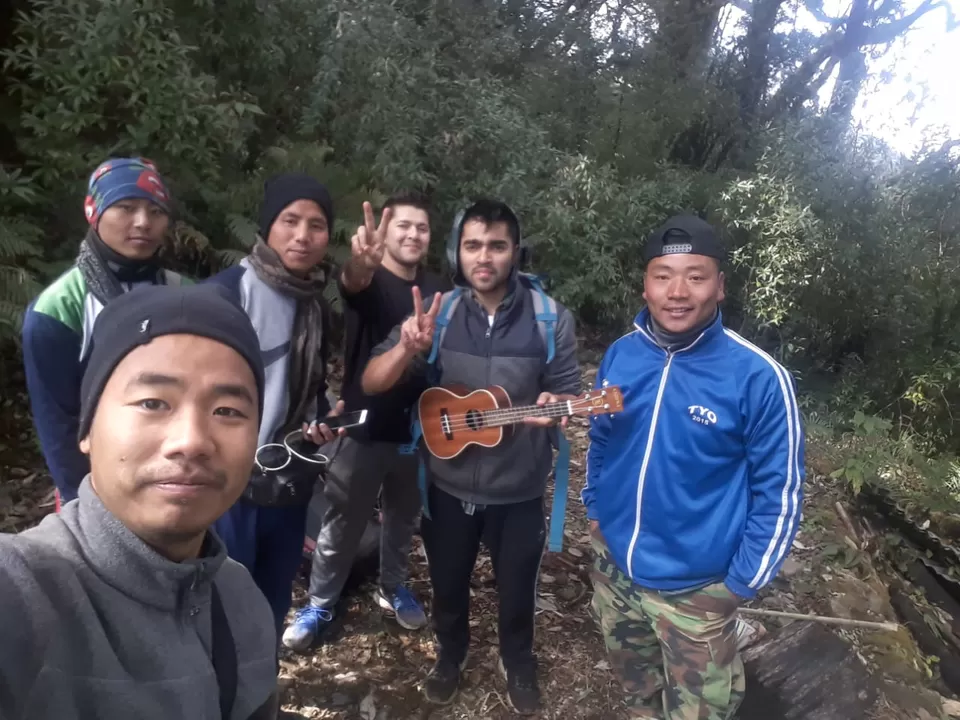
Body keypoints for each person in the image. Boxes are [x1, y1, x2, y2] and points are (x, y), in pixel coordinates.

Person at [0, 283, 279, 720]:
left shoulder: (240, 598)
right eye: (153, 402)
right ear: (88, 429)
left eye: (228, 411)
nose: (191, 442)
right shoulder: (22, 592)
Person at [362, 198, 581, 714]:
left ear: (515, 252)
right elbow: (372, 381)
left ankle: (517, 658)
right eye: (473, 245)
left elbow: (568, 395)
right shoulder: (439, 314)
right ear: (457, 251)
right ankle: (449, 654)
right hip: (446, 484)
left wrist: (559, 407)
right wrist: (405, 349)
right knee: (448, 582)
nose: (485, 257)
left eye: (497, 246)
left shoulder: (551, 320)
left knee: (517, 588)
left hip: (519, 489)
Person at [582, 214, 806, 719]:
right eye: (663, 275)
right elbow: (601, 437)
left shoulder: (758, 378)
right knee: (637, 691)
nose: (677, 291)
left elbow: (781, 492)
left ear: (720, 286)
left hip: (696, 591)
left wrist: (740, 585)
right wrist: (595, 511)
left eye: (696, 276)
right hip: (615, 571)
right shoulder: (620, 355)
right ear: (646, 284)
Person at [283, 192, 446, 650]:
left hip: (419, 431)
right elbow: (352, 281)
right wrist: (360, 265)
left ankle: (392, 586)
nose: (413, 234)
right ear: (385, 232)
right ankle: (320, 602)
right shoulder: (369, 281)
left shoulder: (440, 290)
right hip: (362, 426)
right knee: (343, 519)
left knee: (402, 519)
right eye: (403, 226)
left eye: (422, 227)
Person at [209, 172, 345, 638]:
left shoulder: (313, 305)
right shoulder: (228, 294)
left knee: (272, 600)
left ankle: (261, 698)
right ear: (268, 226)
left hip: (286, 481)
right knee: (221, 607)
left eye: (316, 225)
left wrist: (321, 421)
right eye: (290, 220)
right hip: (227, 490)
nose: (303, 236)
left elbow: (308, 392)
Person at [22, 157, 188, 509]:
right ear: (92, 211)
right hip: (95, 490)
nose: (143, 223)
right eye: (126, 207)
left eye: (156, 211)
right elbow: (58, 425)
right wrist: (82, 503)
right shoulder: (57, 310)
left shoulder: (184, 295)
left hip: (175, 476)